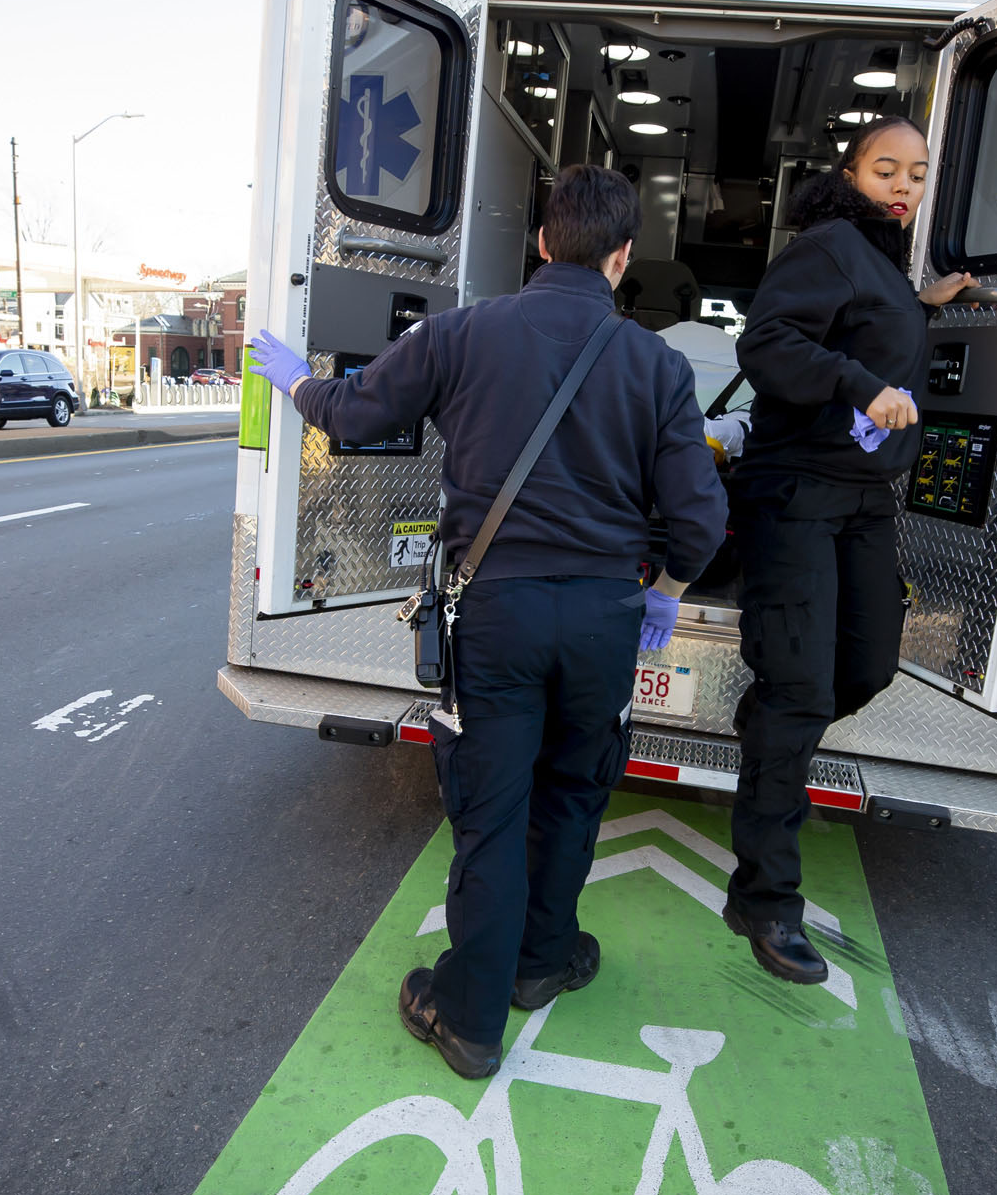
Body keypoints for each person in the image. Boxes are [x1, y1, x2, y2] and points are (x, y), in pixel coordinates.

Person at [247, 165, 729, 1080]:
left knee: (493, 812)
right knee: (576, 792)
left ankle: (467, 1017)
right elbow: (700, 520)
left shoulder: (459, 333)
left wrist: (299, 381)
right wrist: (664, 588)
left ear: (542, 241)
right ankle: (545, 962)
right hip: (602, 619)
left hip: (496, 613)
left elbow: (352, 415)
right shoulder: (658, 366)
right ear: (622, 259)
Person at [722, 116, 975, 984]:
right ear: (851, 173)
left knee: (866, 666)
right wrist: (861, 385)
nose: (901, 186)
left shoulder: (884, 263)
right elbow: (767, 342)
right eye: (884, 170)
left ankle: (767, 734)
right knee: (800, 693)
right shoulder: (829, 244)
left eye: (914, 172)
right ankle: (764, 902)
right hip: (797, 494)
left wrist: (923, 304)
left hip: (866, 501)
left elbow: (865, 324)